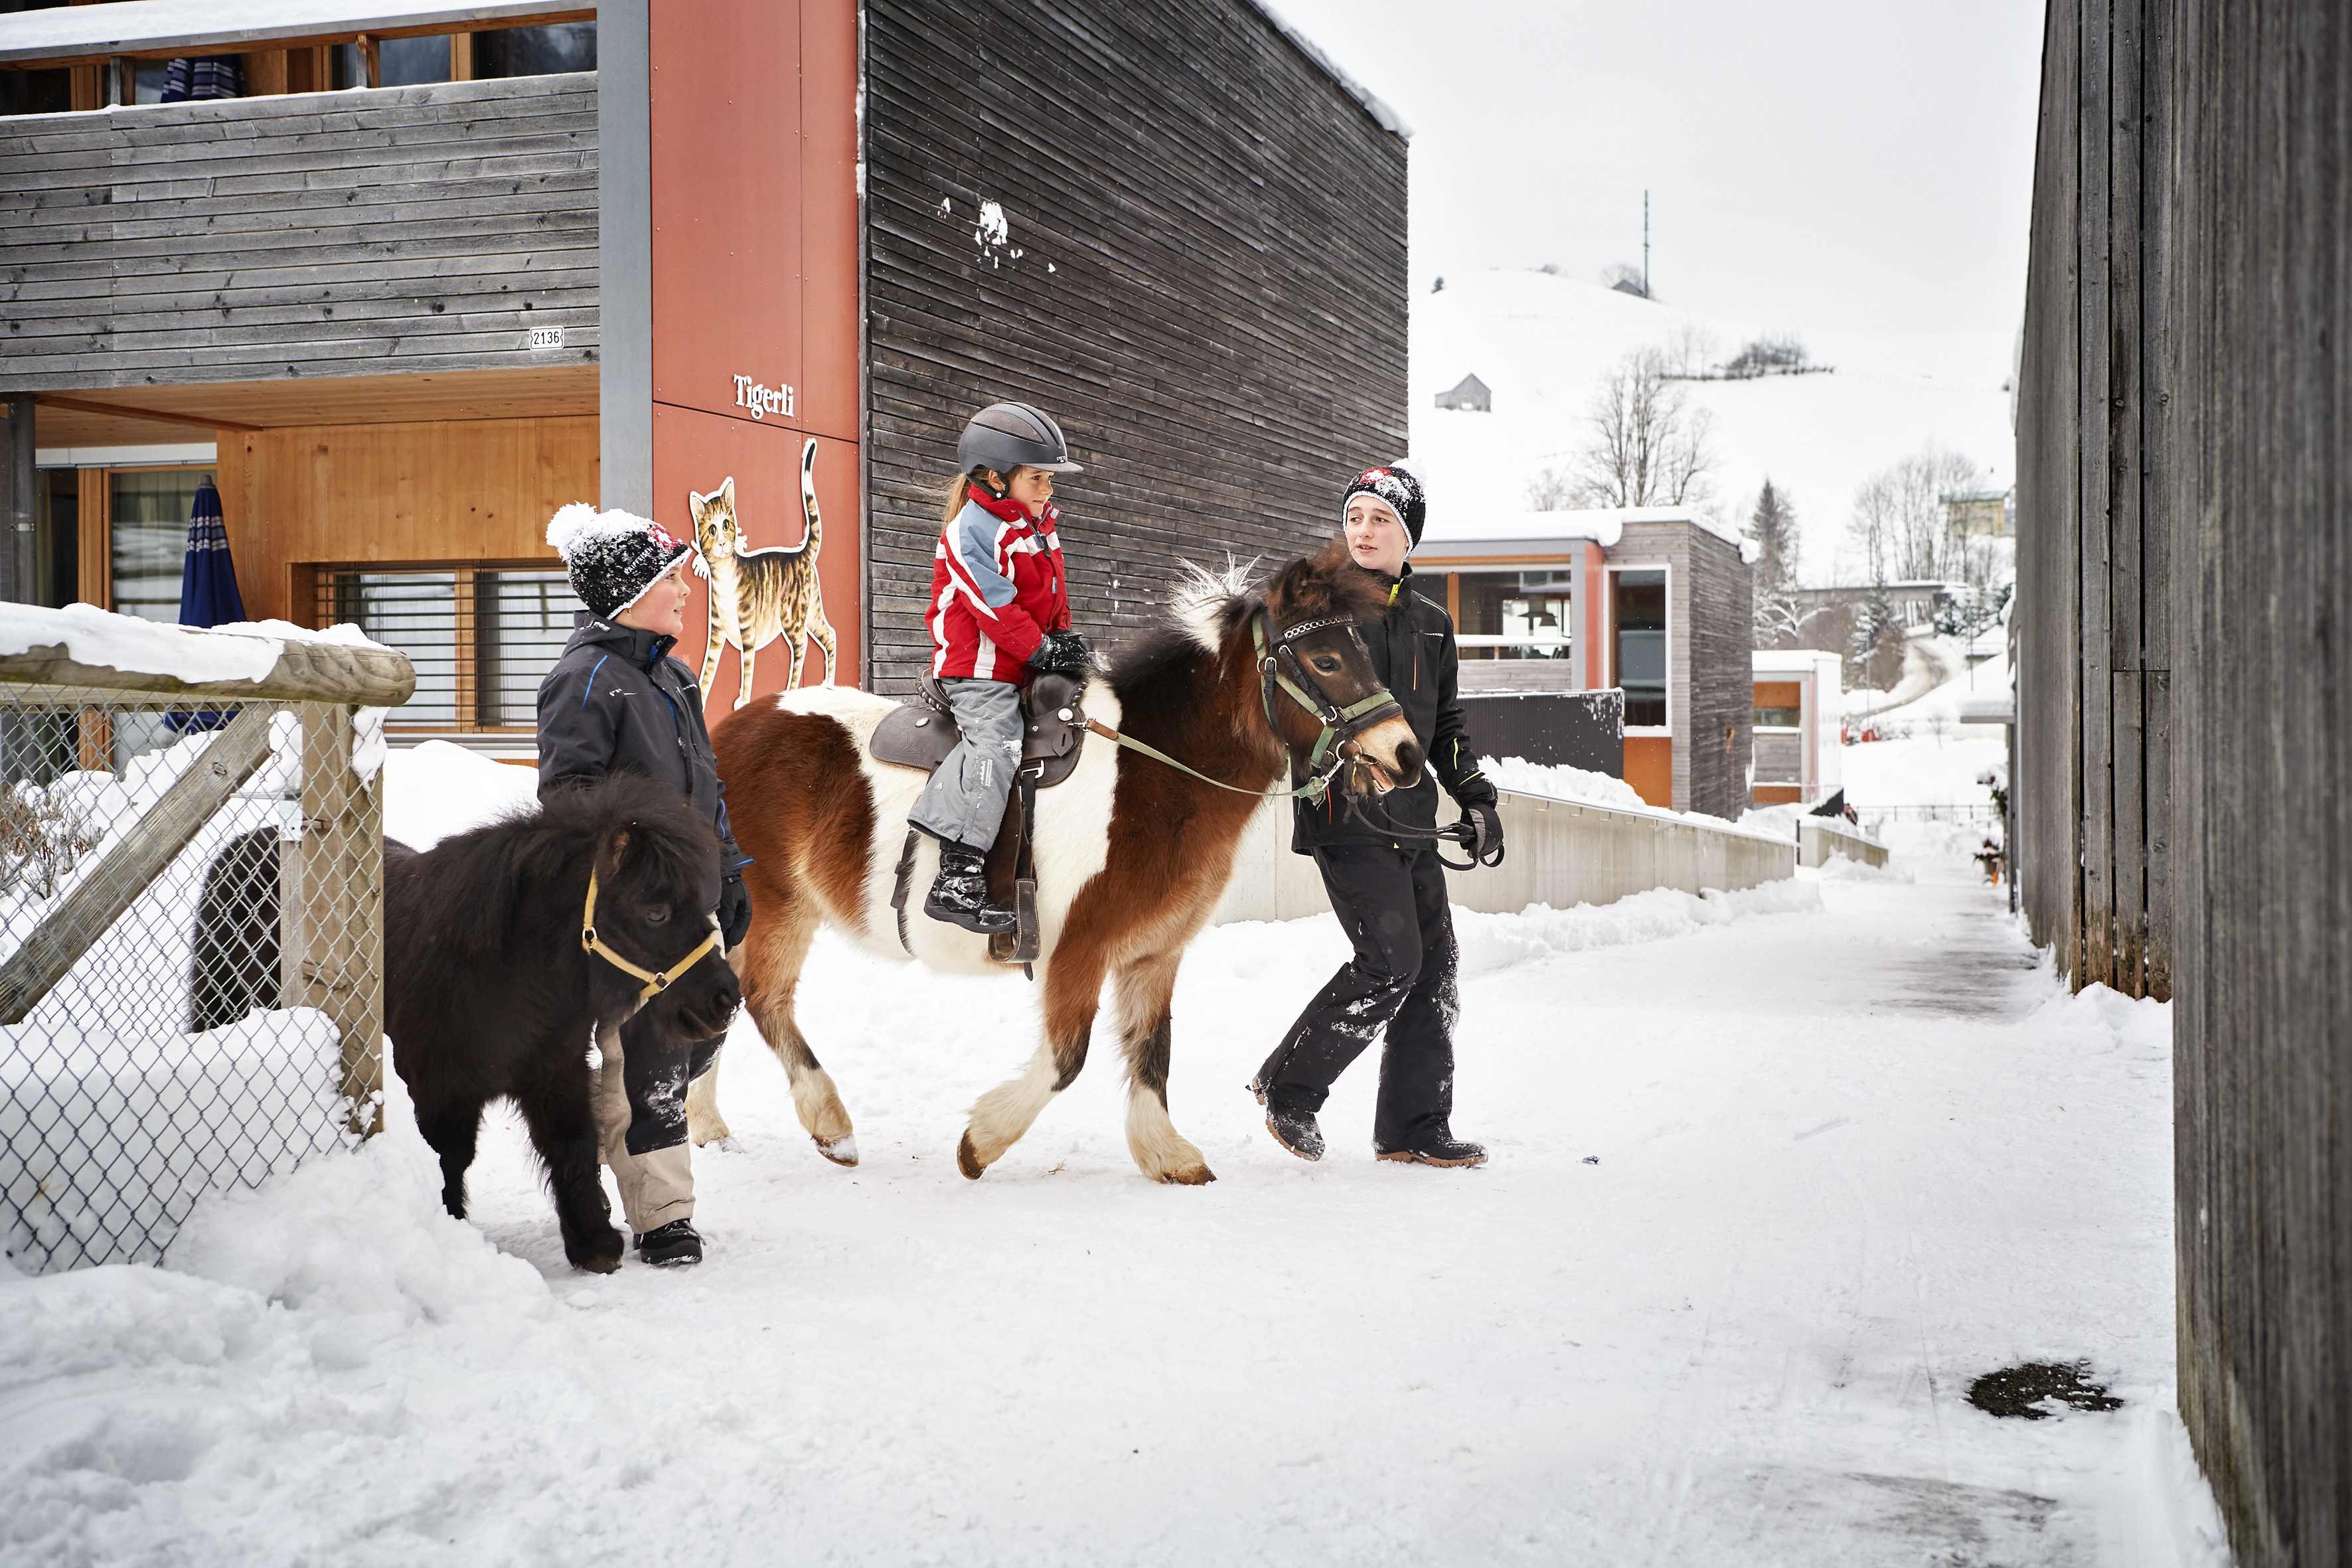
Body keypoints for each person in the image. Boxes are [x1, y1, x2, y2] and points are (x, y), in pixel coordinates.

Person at [1249, 463, 1505, 1168]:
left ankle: (1413, 1127)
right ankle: (1289, 1087)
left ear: (1408, 538)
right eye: (1355, 516)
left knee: (1436, 970)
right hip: (1345, 812)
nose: (1363, 530)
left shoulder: (1431, 624)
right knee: (1391, 961)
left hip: (1416, 820)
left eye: (1381, 519)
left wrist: (1477, 796)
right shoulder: (1317, 612)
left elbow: (1446, 723)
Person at [536, 503, 753, 1268]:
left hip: (693, 904)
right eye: (671, 579)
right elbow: (567, 804)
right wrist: (637, 885)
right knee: (654, 1054)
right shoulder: (586, 679)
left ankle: (606, 1136)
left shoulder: (673, 675)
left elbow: (707, 789)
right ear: (628, 592)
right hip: (637, 916)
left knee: (708, 1027)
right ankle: (664, 1215)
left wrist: (728, 873)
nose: (686, 591)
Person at [909, 402, 1092, 933]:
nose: (1047, 490)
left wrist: (1062, 641)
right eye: (1037, 479)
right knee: (998, 742)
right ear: (994, 477)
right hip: (979, 669)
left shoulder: (1035, 523)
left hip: (1025, 657)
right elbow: (994, 607)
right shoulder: (970, 531)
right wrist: (1042, 651)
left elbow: (1052, 594)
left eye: (1049, 480)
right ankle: (957, 873)